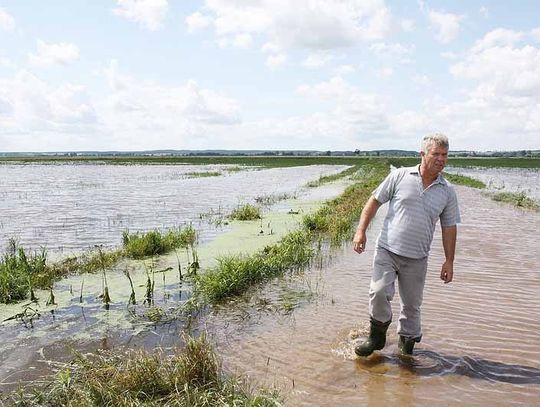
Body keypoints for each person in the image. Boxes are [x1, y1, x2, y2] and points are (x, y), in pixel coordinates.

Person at [353, 133, 460, 357]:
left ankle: (406, 350)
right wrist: (361, 231)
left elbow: (449, 227)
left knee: (412, 306)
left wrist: (449, 261)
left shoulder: (447, 190)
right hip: (388, 250)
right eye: (436, 154)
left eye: (445, 155)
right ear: (422, 154)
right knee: (379, 292)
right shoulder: (400, 176)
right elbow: (374, 202)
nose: (441, 159)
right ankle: (377, 337)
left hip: (418, 257)